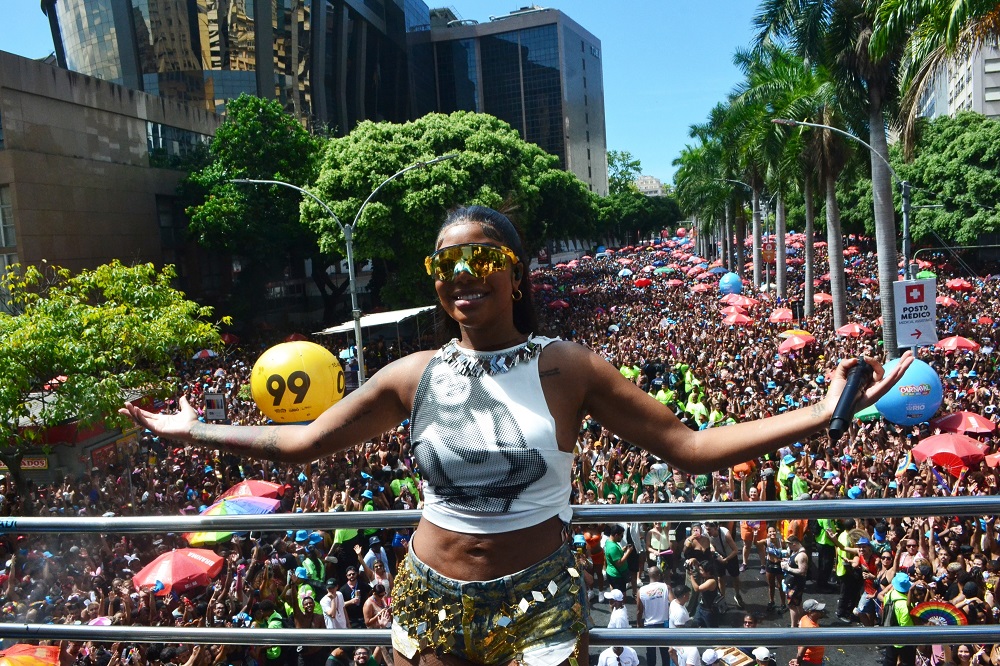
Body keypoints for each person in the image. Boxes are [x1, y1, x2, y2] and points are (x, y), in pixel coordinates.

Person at [122, 205, 911, 666]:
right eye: (446, 263)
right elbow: (300, 445)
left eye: (481, 257)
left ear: (517, 273)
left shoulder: (567, 367)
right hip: (427, 596)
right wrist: (197, 431)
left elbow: (690, 446)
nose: (461, 274)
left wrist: (829, 407)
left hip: (537, 600)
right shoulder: (413, 373)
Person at [636, 566, 670, 666]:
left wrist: (638, 624)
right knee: (665, 653)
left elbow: (639, 610)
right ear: (659, 575)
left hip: (649, 626)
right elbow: (673, 602)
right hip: (664, 624)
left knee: (650, 654)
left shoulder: (641, 591)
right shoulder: (665, 587)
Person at [883, 572, 916, 666]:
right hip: (903, 641)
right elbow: (907, 626)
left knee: (889, 660)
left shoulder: (890, 594)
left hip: (889, 632)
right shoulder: (904, 605)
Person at [789, 599, 826, 666]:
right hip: (812, 662)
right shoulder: (810, 628)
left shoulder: (805, 618)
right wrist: (798, 662)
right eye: (817, 610)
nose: (821, 611)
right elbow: (802, 651)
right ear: (809, 612)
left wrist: (798, 660)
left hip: (809, 660)